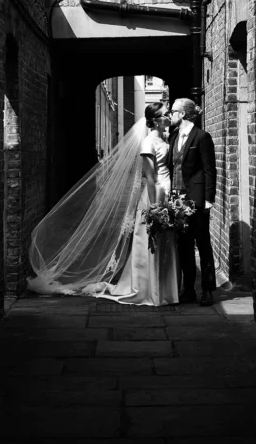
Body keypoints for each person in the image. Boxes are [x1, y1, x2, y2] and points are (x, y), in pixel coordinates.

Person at [25, 102, 180, 306]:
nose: (168, 116)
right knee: (151, 242)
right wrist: (155, 205)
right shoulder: (148, 142)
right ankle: (148, 289)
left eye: (168, 113)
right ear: (155, 120)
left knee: (166, 243)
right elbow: (150, 178)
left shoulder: (167, 138)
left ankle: (165, 289)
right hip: (155, 195)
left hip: (168, 192)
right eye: (164, 114)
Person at [166, 97, 217, 306]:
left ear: (183, 114)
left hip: (196, 199)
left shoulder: (202, 137)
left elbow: (209, 170)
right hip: (177, 199)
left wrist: (208, 199)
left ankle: (207, 290)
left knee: (202, 244)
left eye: (173, 111)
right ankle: (188, 290)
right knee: (183, 245)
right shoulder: (173, 136)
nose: (170, 115)